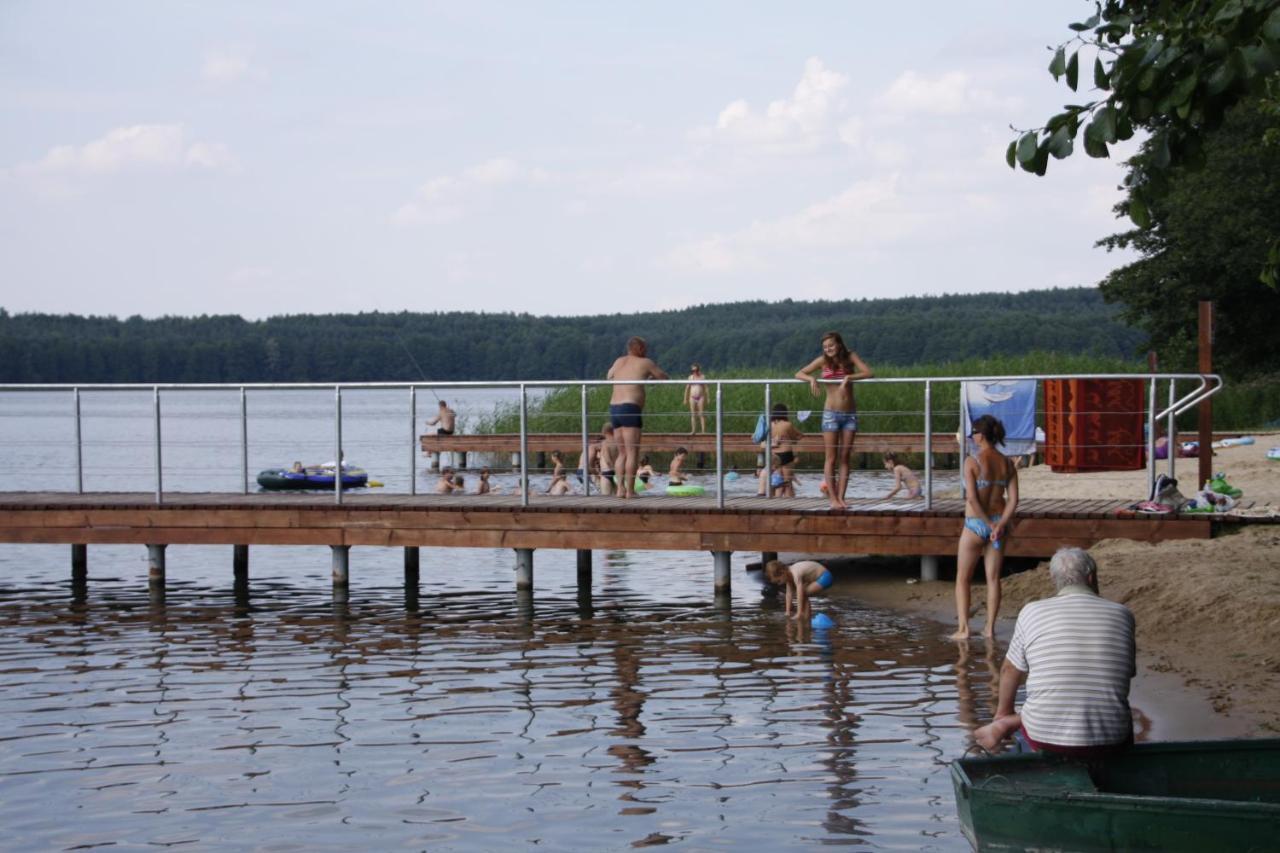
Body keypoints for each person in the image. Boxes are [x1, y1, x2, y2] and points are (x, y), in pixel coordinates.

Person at [973, 547, 1136, 757]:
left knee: (1041, 713)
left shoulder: (1032, 612)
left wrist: (1003, 714)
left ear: (1054, 579)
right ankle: (1124, 767)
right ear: (1091, 577)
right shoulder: (1123, 614)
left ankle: (1010, 726)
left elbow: (1009, 670)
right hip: (1110, 739)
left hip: (1045, 739)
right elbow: (1125, 676)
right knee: (1116, 709)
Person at [951, 414, 1020, 640]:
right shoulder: (1007, 463)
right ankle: (989, 629)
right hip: (999, 526)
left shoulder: (972, 461)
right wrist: (998, 524)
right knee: (993, 578)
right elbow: (1013, 500)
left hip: (975, 525)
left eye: (973, 434)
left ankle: (964, 629)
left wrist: (988, 523)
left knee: (963, 578)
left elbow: (972, 499)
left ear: (980, 436)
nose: (972, 438)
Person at [795, 331, 873, 509]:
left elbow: (869, 372)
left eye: (831, 345)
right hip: (831, 413)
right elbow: (799, 373)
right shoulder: (823, 361)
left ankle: (841, 498)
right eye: (825, 347)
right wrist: (811, 379)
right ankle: (832, 499)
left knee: (845, 457)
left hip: (849, 414)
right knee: (830, 457)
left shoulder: (850, 356)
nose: (828, 349)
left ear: (839, 344)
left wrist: (849, 377)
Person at [607, 336, 669, 499]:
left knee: (622, 453)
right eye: (645, 348)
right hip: (630, 407)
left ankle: (620, 489)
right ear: (640, 349)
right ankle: (630, 491)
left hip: (614, 407)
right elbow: (663, 377)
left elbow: (609, 376)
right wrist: (649, 377)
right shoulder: (645, 362)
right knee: (632, 452)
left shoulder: (618, 361)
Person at [764, 559, 834, 621]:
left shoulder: (795, 573)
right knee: (803, 593)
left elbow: (799, 593)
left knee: (803, 593)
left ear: (782, 572)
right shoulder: (788, 575)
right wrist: (787, 612)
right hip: (818, 578)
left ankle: (802, 615)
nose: (779, 584)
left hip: (825, 577)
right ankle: (806, 618)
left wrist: (798, 612)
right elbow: (789, 594)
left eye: (778, 581)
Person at [760, 403, 802, 497]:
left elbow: (762, 440)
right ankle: (790, 503)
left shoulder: (768, 425)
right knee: (788, 483)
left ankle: (774, 501)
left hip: (774, 456)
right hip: (786, 454)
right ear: (784, 413)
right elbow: (798, 436)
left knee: (776, 482)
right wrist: (792, 439)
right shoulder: (787, 424)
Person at [683, 363, 708, 434]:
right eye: (693, 371)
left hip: (701, 397)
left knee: (701, 414)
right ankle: (693, 430)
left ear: (698, 370)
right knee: (693, 414)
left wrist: (708, 398)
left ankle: (703, 431)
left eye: (696, 370)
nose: (695, 372)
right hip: (692, 397)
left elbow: (706, 388)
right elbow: (687, 388)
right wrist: (685, 398)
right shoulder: (690, 377)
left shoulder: (702, 377)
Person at [597, 423, 618, 496]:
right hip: (616, 472)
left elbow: (607, 459)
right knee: (618, 498)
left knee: (606, 498)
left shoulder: (605, 443)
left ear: (604, 431)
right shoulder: (618, 443)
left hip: (606, 472)